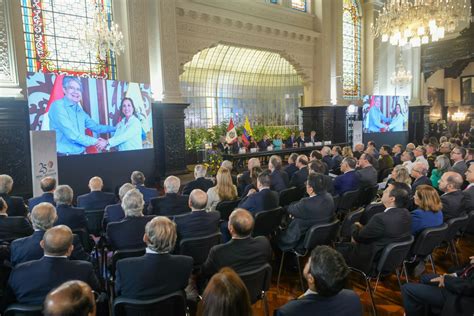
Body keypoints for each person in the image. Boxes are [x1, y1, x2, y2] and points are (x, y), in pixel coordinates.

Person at [6, 225, 100, 305]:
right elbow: (97, 295)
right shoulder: (85, 269)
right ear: (70, 249)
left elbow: (6, 304)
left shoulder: (18, 271)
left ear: (42, 244)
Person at [336, 182, 412, 271]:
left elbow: (359, 237)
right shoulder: (407, 215)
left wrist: (355, 226)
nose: (383, 192)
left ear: (392, 199)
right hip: (388, 260)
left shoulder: (380, 218)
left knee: (333, 249)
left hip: (369, 258)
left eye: (386, 191)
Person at [115, 217, 193, 299]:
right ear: (174, 240)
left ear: (145, 238)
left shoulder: (124, 267)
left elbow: (118, 293)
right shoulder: (185, 264)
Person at [275, 246, 362, 316]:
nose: (305, 263)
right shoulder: (353, 298)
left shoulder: (288, 312)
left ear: (311, 278)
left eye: (308, 262)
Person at [48, 76, 116, 155]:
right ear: (64, 89)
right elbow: (72, 135)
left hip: (81, 154)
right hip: (63, 156)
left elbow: (96, 127)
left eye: (78, 89)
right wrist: (97, 141)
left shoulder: (80, 111)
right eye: (72, 88)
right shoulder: (58, 106)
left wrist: (116, 129)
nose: (76, 92)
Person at [10, 203, 90, 267]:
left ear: (30, 218)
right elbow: (86, 261)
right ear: (55, 219)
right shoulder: (70, 239)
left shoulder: (16, 245)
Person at [201, 209, 272, 278]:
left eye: (229, 221)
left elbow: (206, 272)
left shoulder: (218, 251)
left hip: (229, 289)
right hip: (256, 288)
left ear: (231, 228)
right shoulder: (264, 243)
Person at [278, 173, 335, 252]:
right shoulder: (330, 197)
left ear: (311, 189)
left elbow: (290, 209)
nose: (306, 186)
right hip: (322, 236)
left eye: (307, 184)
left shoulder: (306, 203)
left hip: (303, 240)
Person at [401, 255, 474, 316]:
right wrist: (454, 275)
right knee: (425, 278)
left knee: (407, 289)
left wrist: (446, 280)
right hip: (462, 283)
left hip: (462, 297)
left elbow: (470, 287)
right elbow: (468, 271)